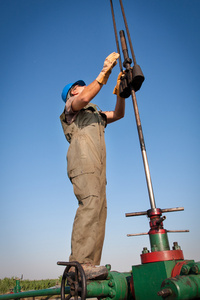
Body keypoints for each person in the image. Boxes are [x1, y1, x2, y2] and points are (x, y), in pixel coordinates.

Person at [60, 52, 125, 280]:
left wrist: (121, 92)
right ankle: (79, 264)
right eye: (78, 86)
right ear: (72, 92)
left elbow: (118, 114)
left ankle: (90, 267)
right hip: (83, 164)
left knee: (100, 212)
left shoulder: (95, 114)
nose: (81, 86)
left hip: (98, 168)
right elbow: (85, 98)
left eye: (81, 84)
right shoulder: (72, 108)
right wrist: (104, 71)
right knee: (89, 206)